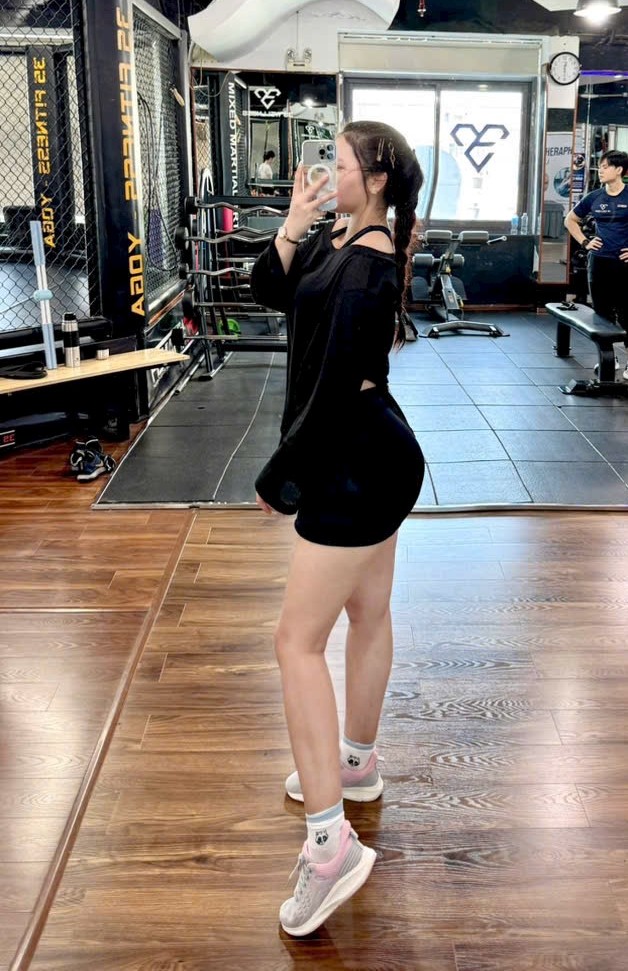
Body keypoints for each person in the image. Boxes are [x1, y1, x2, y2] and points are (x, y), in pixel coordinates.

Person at [249, 120, 426, 939]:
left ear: (376, 179)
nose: (331, 171)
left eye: (343, 163)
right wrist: (295, 221)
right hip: (371, 453)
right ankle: (355, 763)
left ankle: (330, 849)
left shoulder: (367, 265)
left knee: (295, 643)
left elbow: (328, 391)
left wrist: (280, 476)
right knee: (369, 612)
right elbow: (270, 291)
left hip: (355, 463)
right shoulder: (341, 240)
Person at [565, 150, 628, 385]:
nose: (600, 171)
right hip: (599, 263)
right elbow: (570, 219)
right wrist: (585, 241)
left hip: (624, 262)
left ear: (619, 170)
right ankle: (609, 359)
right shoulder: (594, 197)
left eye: (605, 167)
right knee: (602, 313)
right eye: (600, 167)